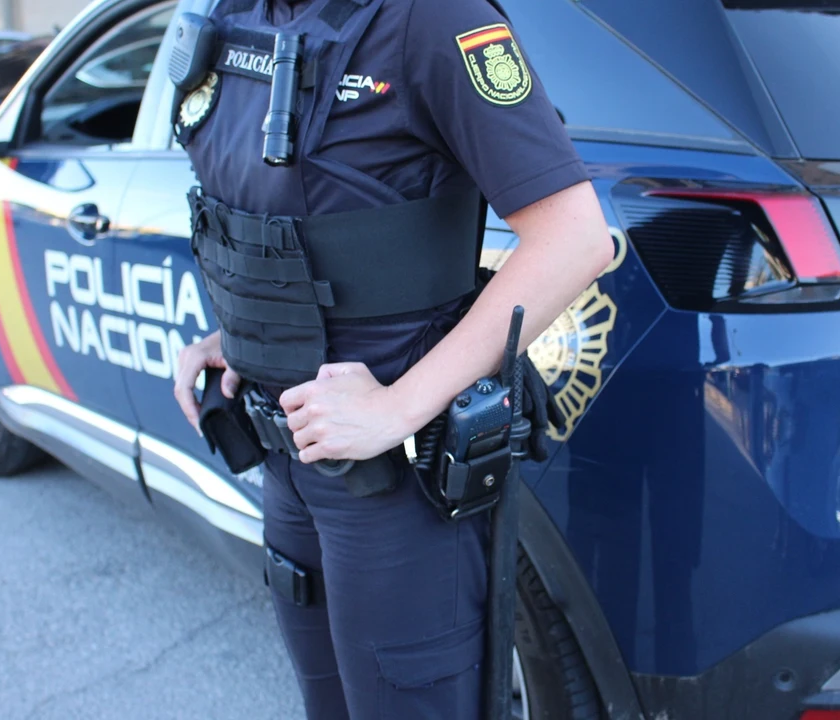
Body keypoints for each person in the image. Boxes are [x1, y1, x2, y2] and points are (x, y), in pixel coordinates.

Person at [170, 0, 613, 717]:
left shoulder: (429, 17)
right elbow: (303, 223)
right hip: (288, 458)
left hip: (396, 489)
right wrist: (243, 333)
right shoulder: (239, 11)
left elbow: (575, 239)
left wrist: (397, 408)